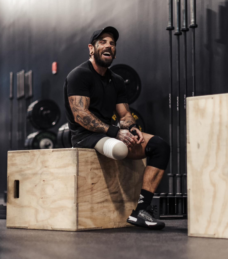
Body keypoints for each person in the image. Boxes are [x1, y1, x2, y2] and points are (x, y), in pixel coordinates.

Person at [64, 26, 170, 230]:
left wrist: (132, 129)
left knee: (159, 146)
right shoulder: (79, 75)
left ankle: (142, 210)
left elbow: (124, 115)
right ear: (91, 48)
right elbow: (81, 115)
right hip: (84, 137)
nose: (108, 46)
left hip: (107, 134)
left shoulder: (117, 80)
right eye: (103, 41)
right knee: (120, 149)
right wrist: (115, 132)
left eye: (112, 43)